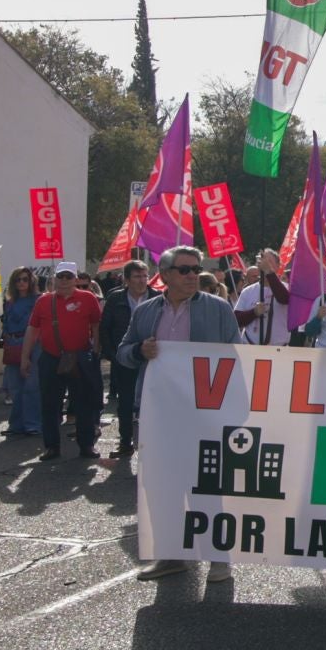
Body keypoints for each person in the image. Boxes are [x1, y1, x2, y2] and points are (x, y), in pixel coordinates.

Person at [118, 246, 243, 582]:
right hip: (159, 414)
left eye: (196, 269)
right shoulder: (146, 311)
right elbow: (122, 352)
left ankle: (218, 559)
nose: (192, 276)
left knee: (206, 486)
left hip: (203, 414)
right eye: (185, 270)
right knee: (162, 486)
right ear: (165, 275)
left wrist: (233, 409)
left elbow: (238, 354)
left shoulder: (218, 309)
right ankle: (171, 556)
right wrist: (139, 351)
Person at [21, 261, 104, 461]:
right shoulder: (43, 301)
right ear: (55, 279)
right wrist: (25, 357)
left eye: (68, 277)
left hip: (79, 357)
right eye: (61, 277)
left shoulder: (88, 298)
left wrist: (96, 349)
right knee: (49, 404)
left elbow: (96, 325)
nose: (64, 280)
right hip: (51, 357)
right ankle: (51, 447)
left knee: (83, 404)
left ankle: (86, 445)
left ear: (75, 279)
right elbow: (32, 329)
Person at [97, 260, 152, 459]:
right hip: (124, 359)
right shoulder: (116, 298)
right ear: (127, 280)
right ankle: (125, 442)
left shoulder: (157, 298)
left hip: (151, 361)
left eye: (144, 276)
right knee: (125, 403)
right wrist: (113, 355)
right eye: (137, 276)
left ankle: (151, 445)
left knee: (151, 403)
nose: (142, 280)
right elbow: (105, 328)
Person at [0, 268, 42, 440]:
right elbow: (6, 323)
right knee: (15, 388)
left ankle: (33, 424)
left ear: (31, 281)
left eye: (25, 279)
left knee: (31, 386)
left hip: (33, 343)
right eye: (18, 280)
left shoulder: (39, 299)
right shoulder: (10, 302)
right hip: (13, 343)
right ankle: (16, 424)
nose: (21, 283)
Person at [233, 249, 295, 346]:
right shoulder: (248, 291)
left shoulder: (287, 288)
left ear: (278, 266)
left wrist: (269, 272)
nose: (265, 265)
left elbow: (284, 299)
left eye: (269, 262)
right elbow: (236, 320)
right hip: (250, 347)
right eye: (262, 261)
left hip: (278, 349)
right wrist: (253, 313)